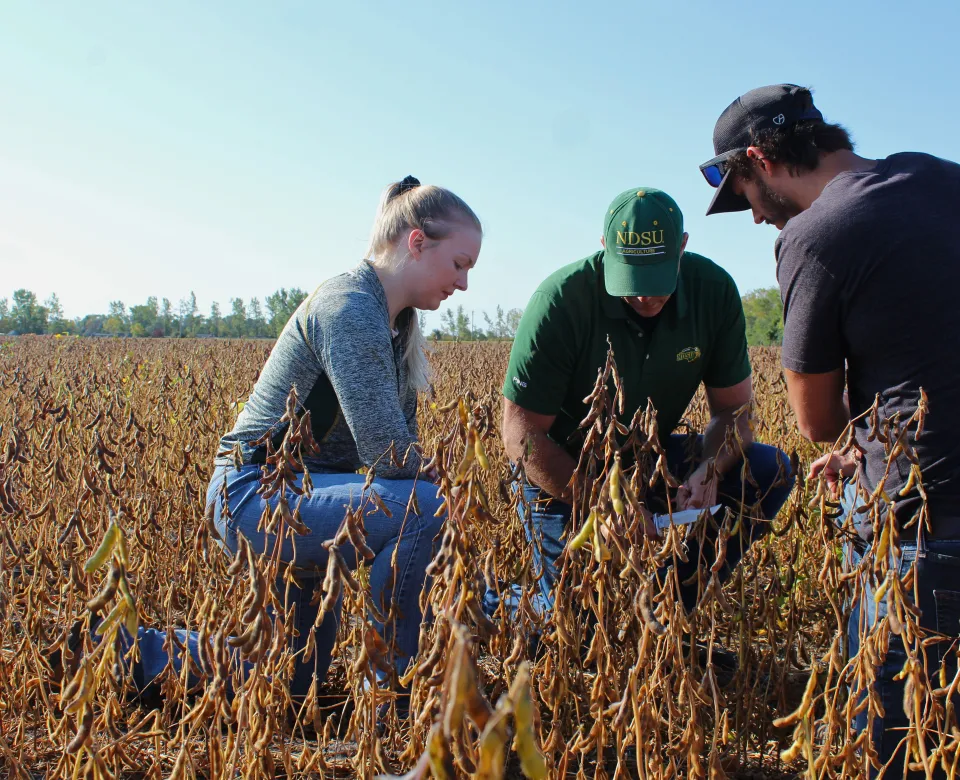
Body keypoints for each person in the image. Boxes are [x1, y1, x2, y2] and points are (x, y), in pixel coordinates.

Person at [58, 176, 482, 703]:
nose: (464, 283)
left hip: (306, 496)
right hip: (253, 494)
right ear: (416, 243)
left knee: (284, 679)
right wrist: (456, 487)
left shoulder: (397, 330)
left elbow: (399, 457)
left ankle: (115, 651)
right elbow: (389, 455)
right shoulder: (349, 308)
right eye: (460, 264)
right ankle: (390, 692)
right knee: (428, 506)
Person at [701, 83, 960, 776]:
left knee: (894, 740)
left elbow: (815, 420)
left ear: (760, 159)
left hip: (925, 527)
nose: (755, 218)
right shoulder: (939, 176)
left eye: (746, 194)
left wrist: (860, 435)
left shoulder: (816, 236)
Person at [500, 186, 794, 617]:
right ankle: (494, 603)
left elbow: (736, 411)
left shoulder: (713, 292)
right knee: (565, 623)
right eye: (631, 281)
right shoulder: (561, 300)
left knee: (769, 469)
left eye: (657, 278)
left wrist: (709, 466)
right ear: (605, 249)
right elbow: (521, 435)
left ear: (683, 248)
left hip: (647, 459)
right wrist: (600, 502)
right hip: (563, 469)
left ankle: (668, 614)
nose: (645, 297)